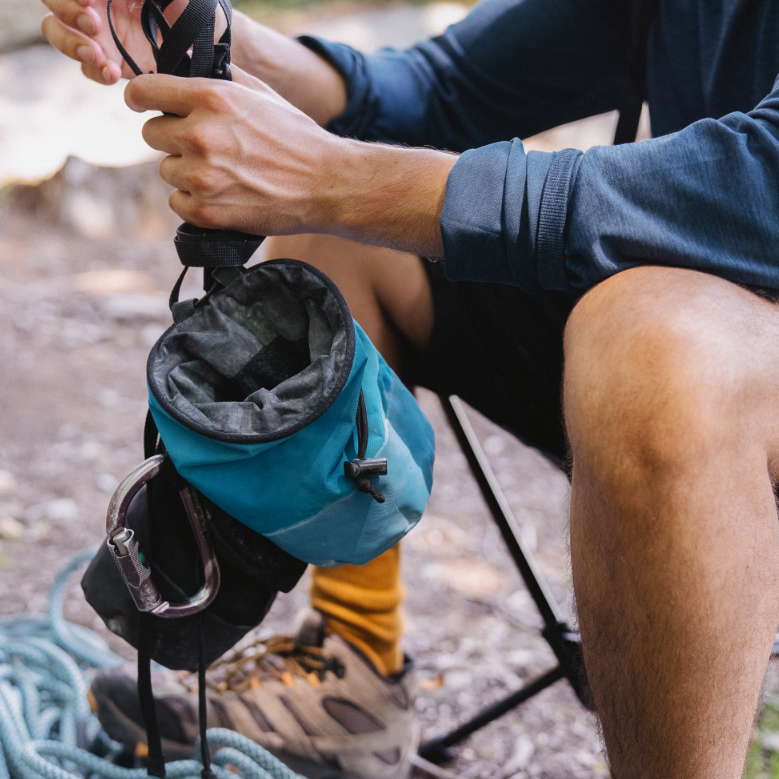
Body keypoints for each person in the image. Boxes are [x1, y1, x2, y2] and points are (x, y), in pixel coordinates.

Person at [39, 0, 779, 777]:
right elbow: (442, 88)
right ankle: (354, 672)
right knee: (334, 247)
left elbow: (759, 186)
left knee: (652, 346)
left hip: (693, 358)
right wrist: (218, 33)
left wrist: (333, 176)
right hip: (706, 332)